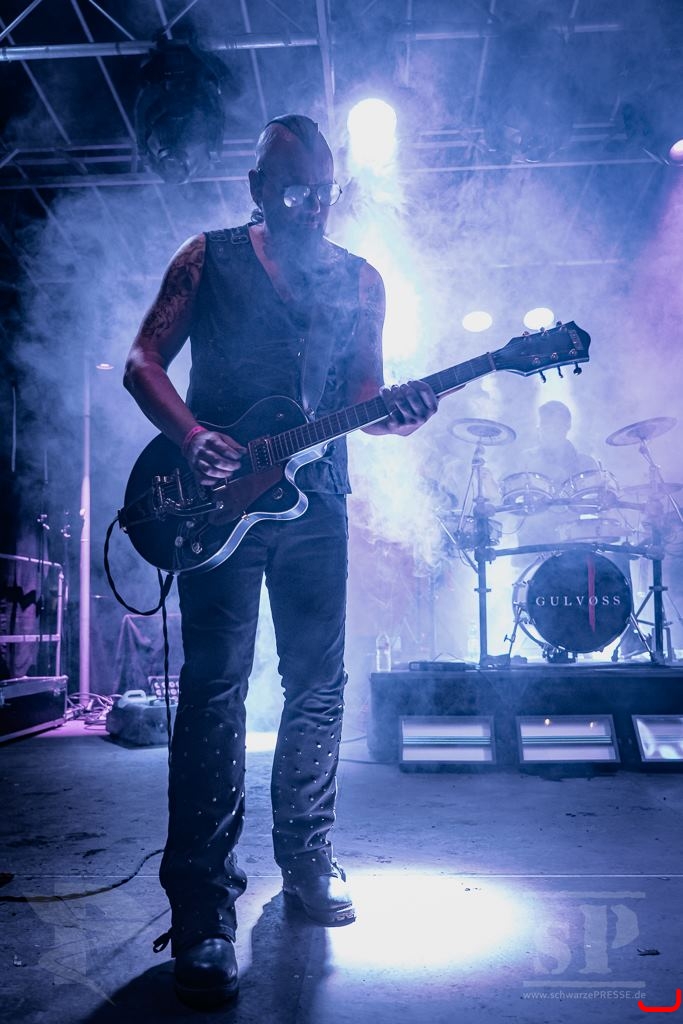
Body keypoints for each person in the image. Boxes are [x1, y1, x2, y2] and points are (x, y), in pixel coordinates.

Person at [123, 113, 438, 1009]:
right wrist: (192, 437)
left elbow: (363, 393)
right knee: (214, 688)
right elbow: (143, 361)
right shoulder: (207, 258)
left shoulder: (359, 279)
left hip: (316, 501)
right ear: (258, 187)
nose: (311, 205)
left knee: (319, 684)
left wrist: (397, 413)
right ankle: (202, 914)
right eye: (294, 189)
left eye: (324, 192)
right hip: (216, 503)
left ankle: (307, 859)